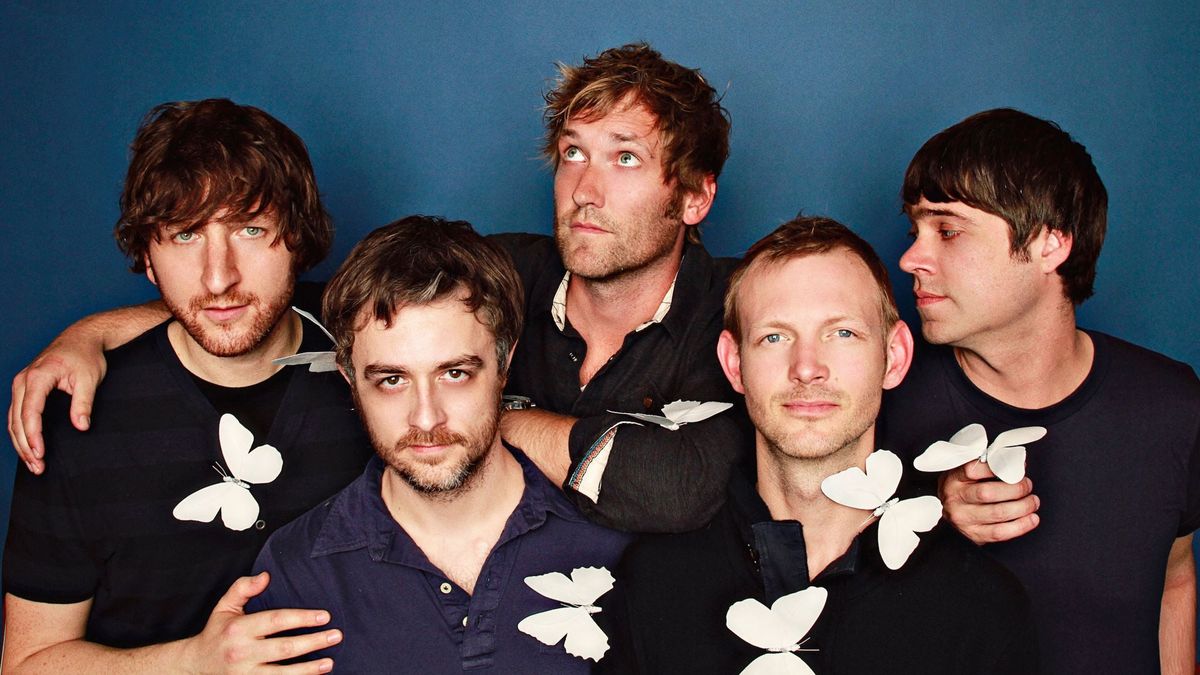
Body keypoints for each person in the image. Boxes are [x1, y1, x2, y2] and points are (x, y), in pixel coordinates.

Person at [8, 43, 748, 533]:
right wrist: (93, 333)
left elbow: (677, 489)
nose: (584, 189)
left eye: (624, 159)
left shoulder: (741, 311)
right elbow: (289, 303)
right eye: (572, 154)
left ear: (695, 197)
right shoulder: (499, 274)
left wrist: (501, 421)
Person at [2, 99, 372, 672]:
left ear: (298, 238)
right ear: (147, 258)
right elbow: (28, 662)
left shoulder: (375, 358)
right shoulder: (76, 415)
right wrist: (193, 663)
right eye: (184, 235)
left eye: (251, 229)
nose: (219, 276)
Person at [601, 216, 1036, 674]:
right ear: (734, 363)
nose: (807, 368)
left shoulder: (980, 608)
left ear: (894, 357)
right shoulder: (651, 583)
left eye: (842, 333)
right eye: (774, 337)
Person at [879, 108, 1200, 674]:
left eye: (947, 230)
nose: (910, 259)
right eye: (915, 232)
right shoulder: (881, 403)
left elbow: (1174, 578)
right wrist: (932, 522)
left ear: (1051, 243)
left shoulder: (1171, 405)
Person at [247, 216, 629, 671]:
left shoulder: (611, 541)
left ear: (504, 362)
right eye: (392, 380)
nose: (426, 417)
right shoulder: (298, 570)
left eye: (455, 373)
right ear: (350, 380)